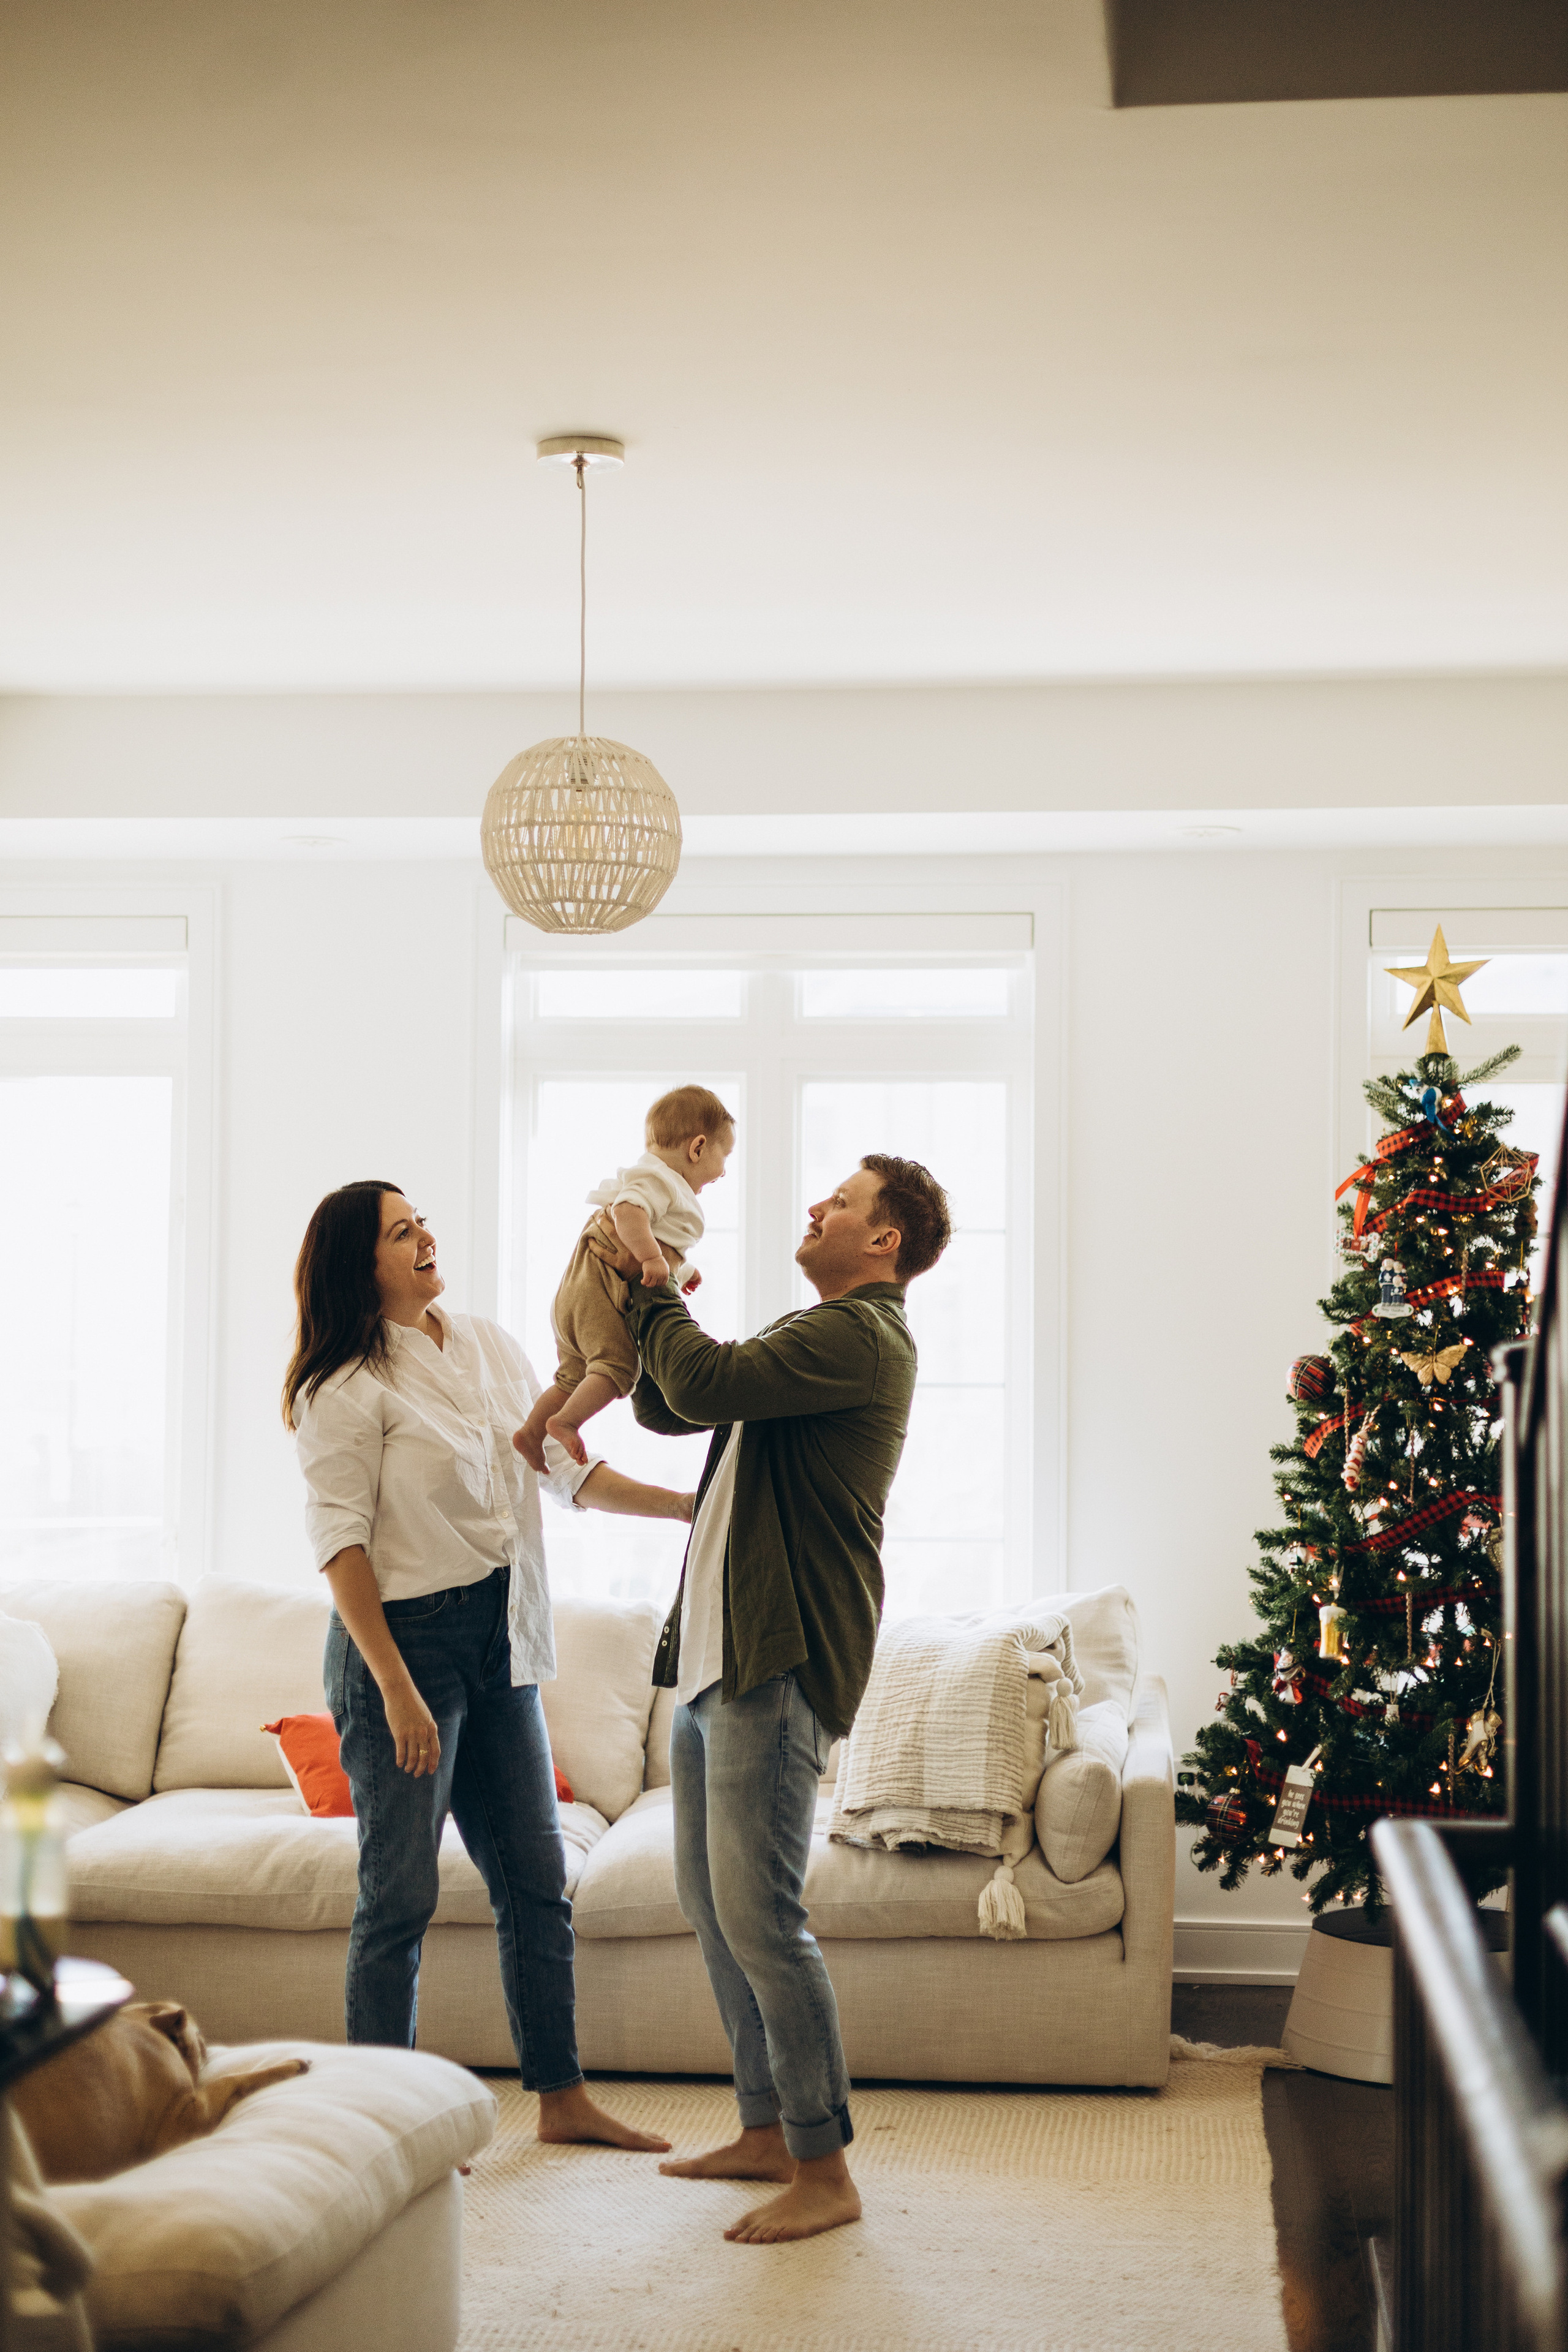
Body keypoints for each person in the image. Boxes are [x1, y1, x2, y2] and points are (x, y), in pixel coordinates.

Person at [284, 1178, 692, 2152]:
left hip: (501, 1632)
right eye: (399, 1231)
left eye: (420, 1220)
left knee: (537, 1881)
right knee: (400, 1898)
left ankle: (561, 2099)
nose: (425, 1236)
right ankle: (379, 2127)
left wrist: (689, 1507)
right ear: (360, 1265)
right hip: (402, 1648)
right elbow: (341, 1549)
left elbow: (557, 1464)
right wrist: (395, 1690)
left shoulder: (488, 1344)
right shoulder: (339, 1390)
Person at [596, 1153, 951, 2242]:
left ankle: (824, 2170)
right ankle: (765, 2130)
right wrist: (655, 1310)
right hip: (722, 1656)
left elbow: (698, 1381)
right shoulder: (813, 1339)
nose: (817, 1208)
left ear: (884, 1239)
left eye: (840, 1201)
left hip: (778, 1660)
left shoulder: (861, 1333)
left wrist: (656, 1278)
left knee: (764, 1918)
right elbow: (675, 1407)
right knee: (715, 1909)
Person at [513, 1085, 736, 1471]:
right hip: (598, 1286)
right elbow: (629, 1214)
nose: (724, 1169)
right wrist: (652, 1259)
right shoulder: (661, 1178)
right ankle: (565, 1422)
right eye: (725, 1155)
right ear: (697, 1148)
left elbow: (660, 1237)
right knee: (618, 1368)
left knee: (574, 1376)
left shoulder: (660, 1181)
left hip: (582, 1289)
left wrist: (680, 1269)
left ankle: (531, 1434)